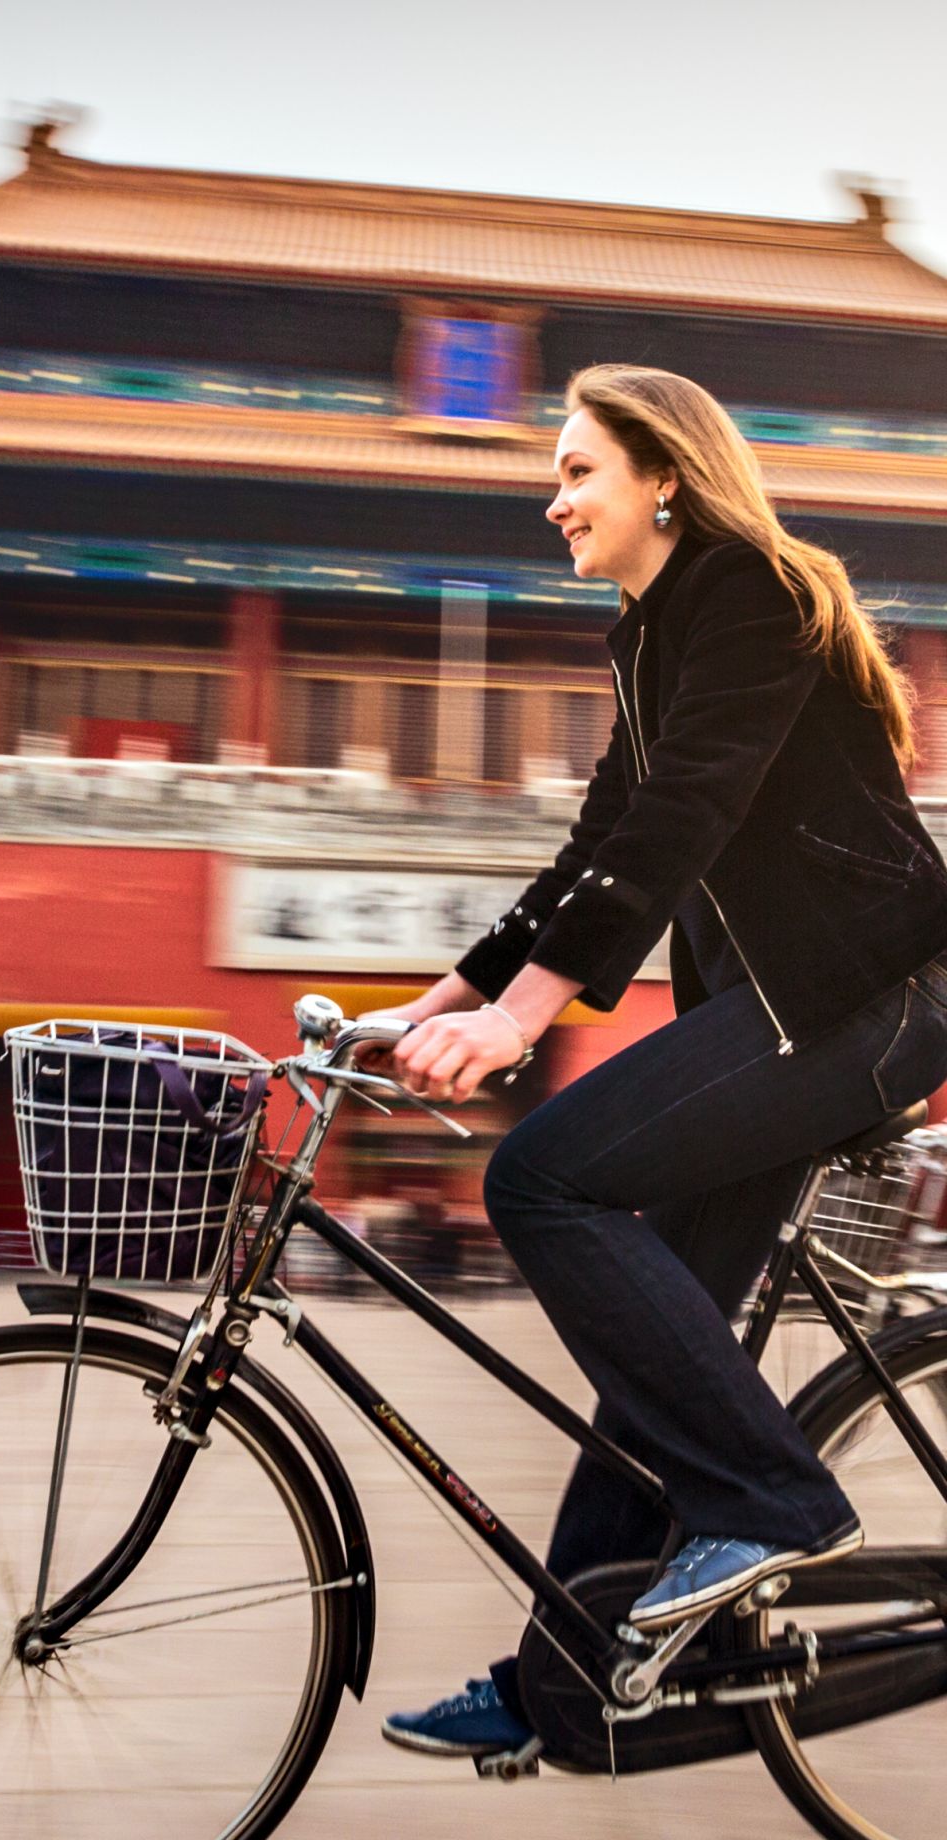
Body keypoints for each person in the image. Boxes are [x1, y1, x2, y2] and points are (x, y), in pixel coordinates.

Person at [379, 363, 947, 1765]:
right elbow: (589, 858)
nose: (553, 495)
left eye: (579, 469)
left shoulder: (747, 595)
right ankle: (570, 1683)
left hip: (861, 1000)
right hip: (779, 1010)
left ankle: (772, 1500)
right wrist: (433, 1004)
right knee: (655, 1350)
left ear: (665, 481)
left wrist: (521, 1025)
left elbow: (680, 822)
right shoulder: (651, 634)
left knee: (544, 1181)